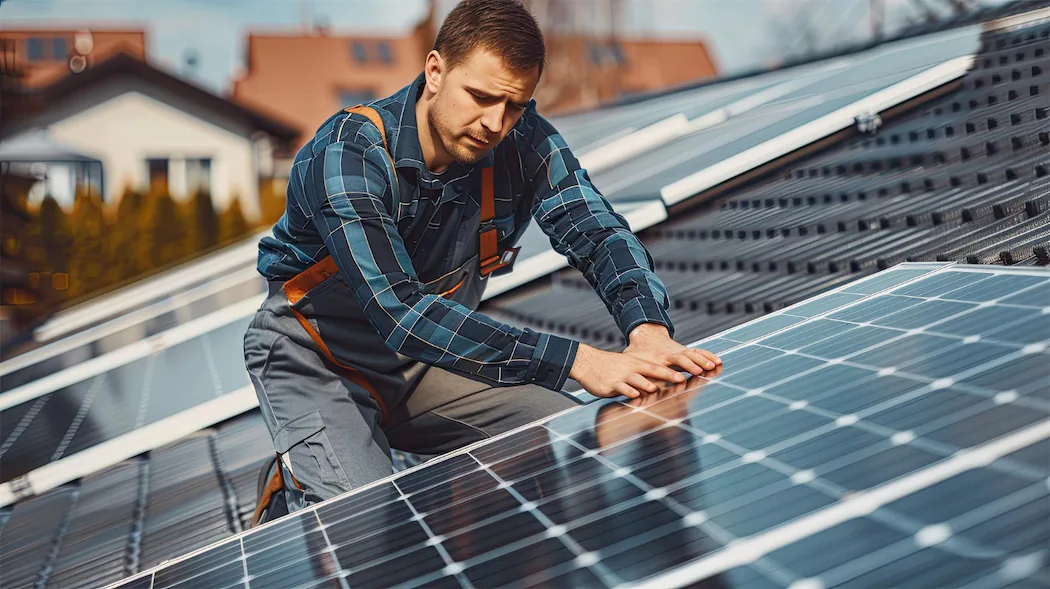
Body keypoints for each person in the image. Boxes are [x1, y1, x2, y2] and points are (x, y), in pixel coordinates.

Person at [244, 0, 722, 522]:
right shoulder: (348, 154)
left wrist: (648, 326)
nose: (495, 122)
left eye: (515, 105)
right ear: (434, 71)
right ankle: (299, 485)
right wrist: (579, 361)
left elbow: (597, 232)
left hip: (425, 364)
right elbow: (400, 313)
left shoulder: (522, 140)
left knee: (566, 432)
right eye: (480, 96)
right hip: (317, 361)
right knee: (363, 527)